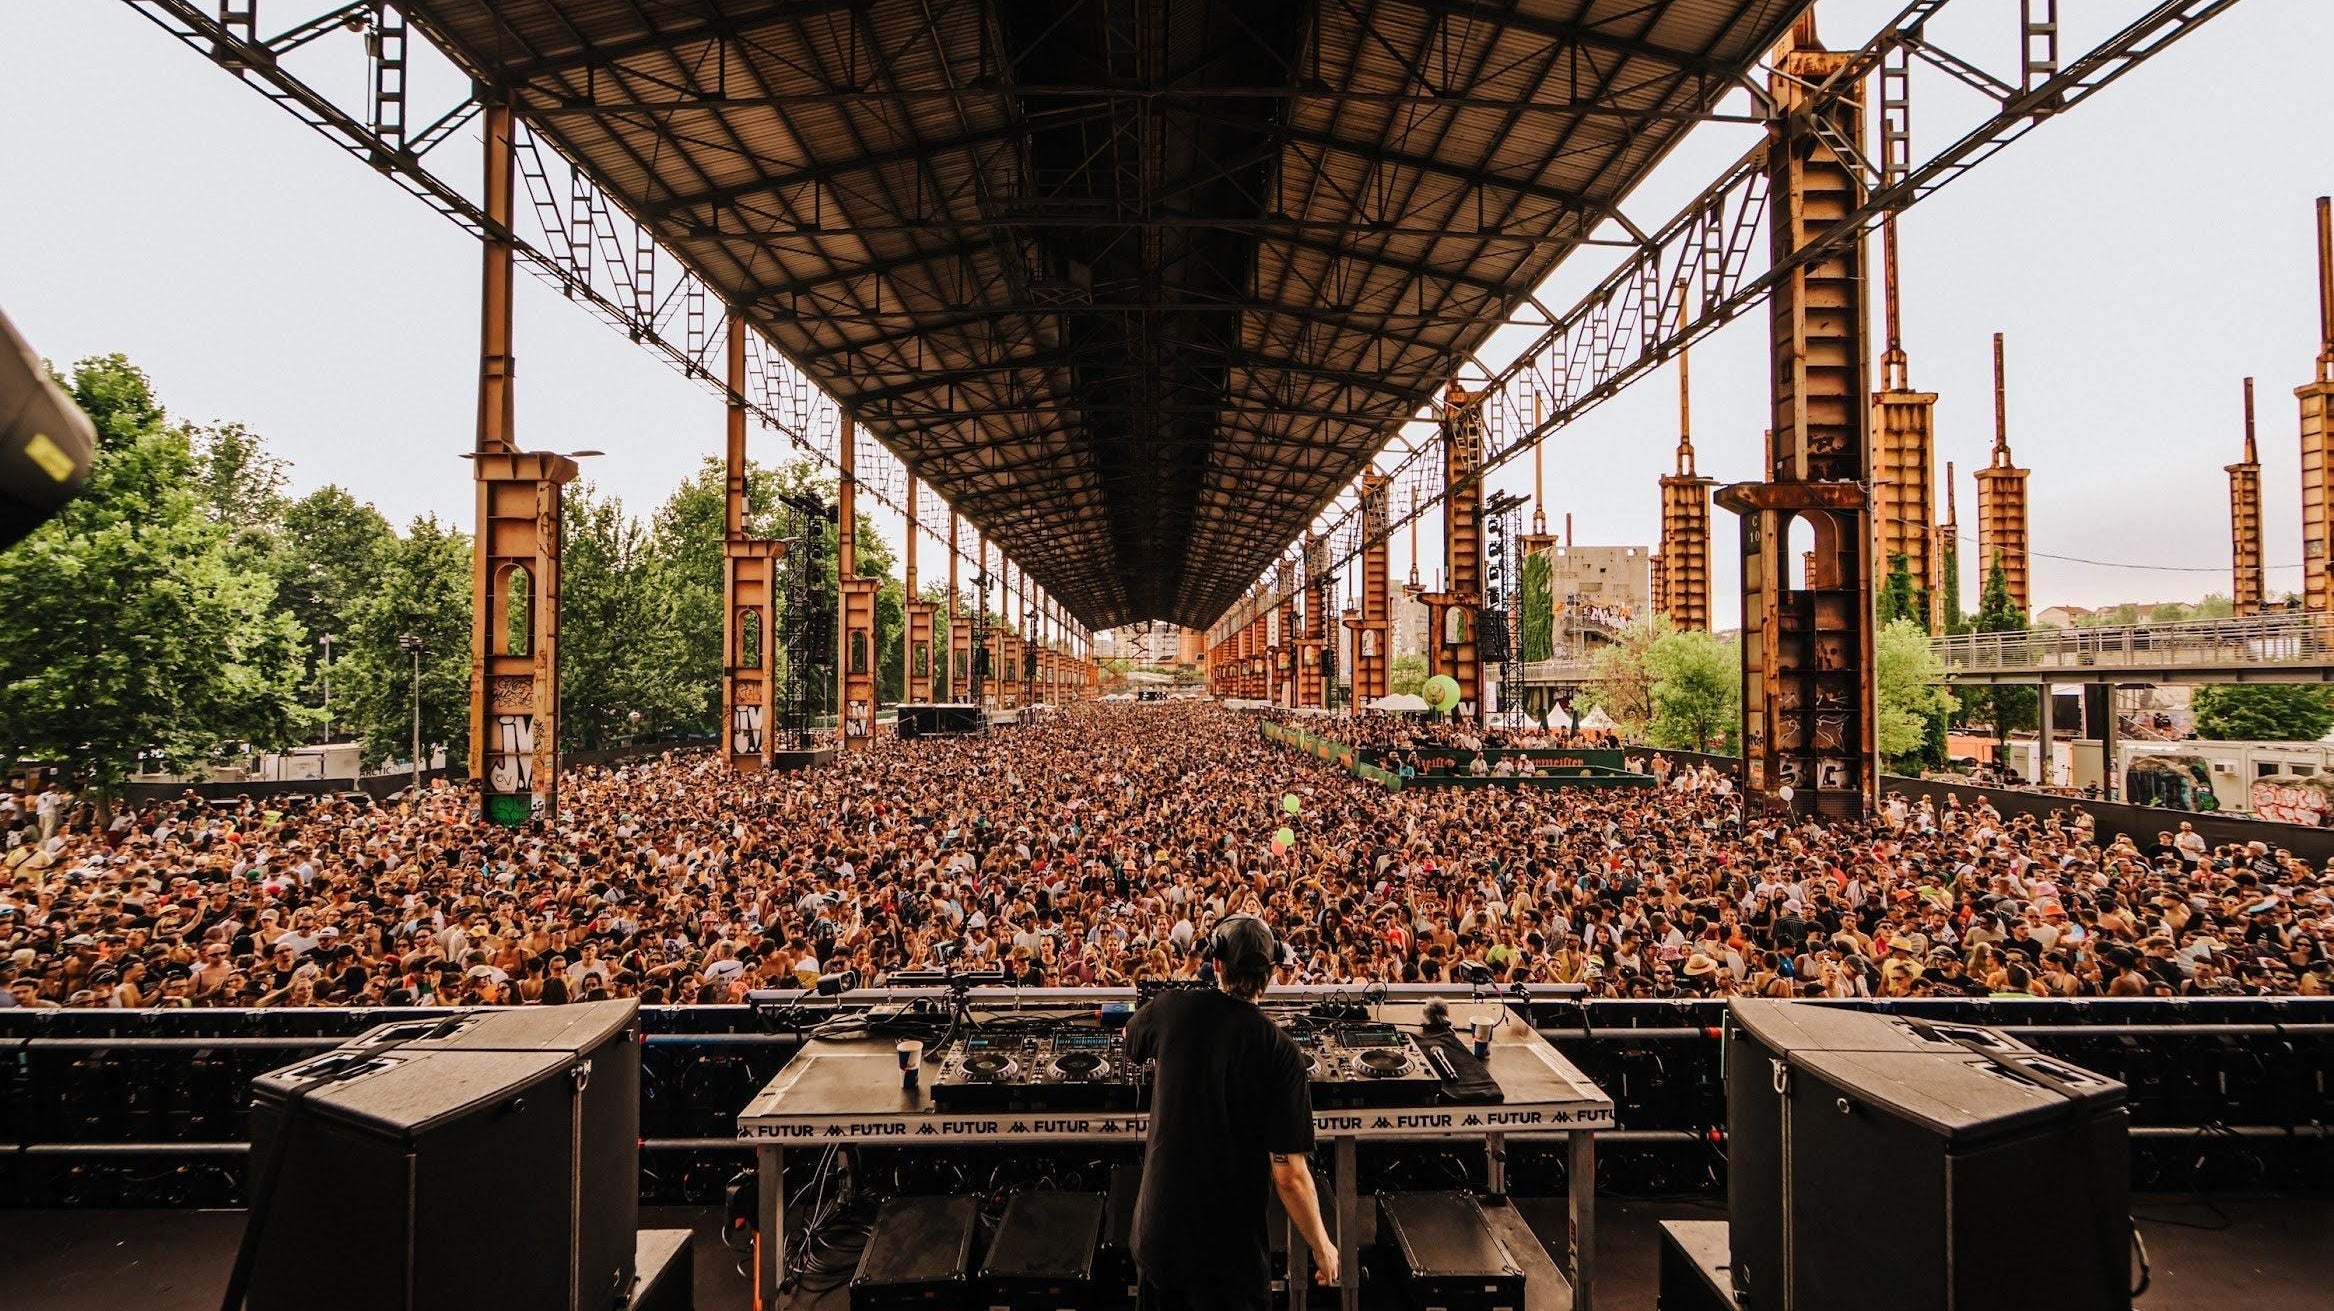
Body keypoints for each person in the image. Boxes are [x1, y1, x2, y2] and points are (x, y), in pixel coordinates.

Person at [1123, 914, 1336, 1310]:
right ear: (1272, 972)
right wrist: (1321, 1244)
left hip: (1160, 1243)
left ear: (1215, 962)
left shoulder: (1170, 1008)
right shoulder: (1281, 1051)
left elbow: (1129, 1037)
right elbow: (1289, 1176)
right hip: (1229, 1260)